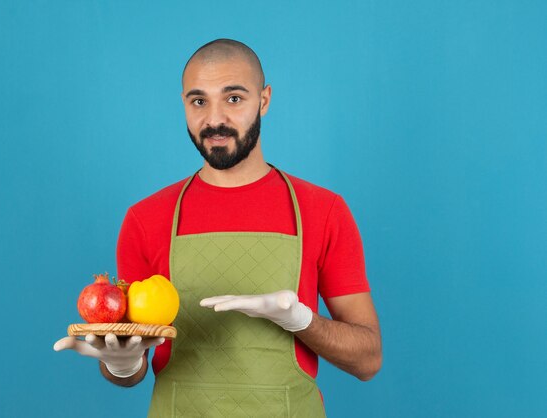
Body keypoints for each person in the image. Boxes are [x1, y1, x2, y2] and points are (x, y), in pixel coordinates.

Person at [54, 38, 382, 417]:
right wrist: (121, 363)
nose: (214, 120)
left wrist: (301, 320)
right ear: (183, 104)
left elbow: (368, 359)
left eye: (234, 98)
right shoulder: (145, 219)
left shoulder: (323, 210)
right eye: (199, 101)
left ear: (264, 100)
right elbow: (133, 367)